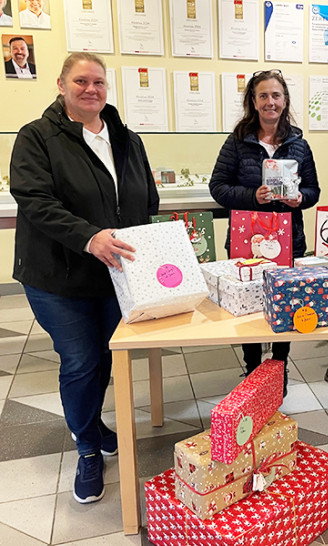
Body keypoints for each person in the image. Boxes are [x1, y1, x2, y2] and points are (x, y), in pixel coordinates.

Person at [10, 52, 159, 503]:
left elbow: (144, 200)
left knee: (105, 359)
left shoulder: (127, 139)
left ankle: (90, 422)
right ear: (60, 84)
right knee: (80, 362)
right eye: (81, 81)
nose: (90, 89)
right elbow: (34, 199)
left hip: (114, 275)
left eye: (98, 82)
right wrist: (90, 236)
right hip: (58, 276)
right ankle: (89, 450)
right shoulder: (37, 137)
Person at [209, 70, 321, 395]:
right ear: (253, 102)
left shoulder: (299, 143)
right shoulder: (238, 140)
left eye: (276, 95)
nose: (270, 102)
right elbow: (217, 187)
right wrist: (251, 196)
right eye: (263, 96)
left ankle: (279, 367)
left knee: (285, 303)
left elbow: (314, 190)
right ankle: (252, 367)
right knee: (249, 304)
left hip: (289, 240)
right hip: (248, 241)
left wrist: (300, 198)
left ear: (284, 101)